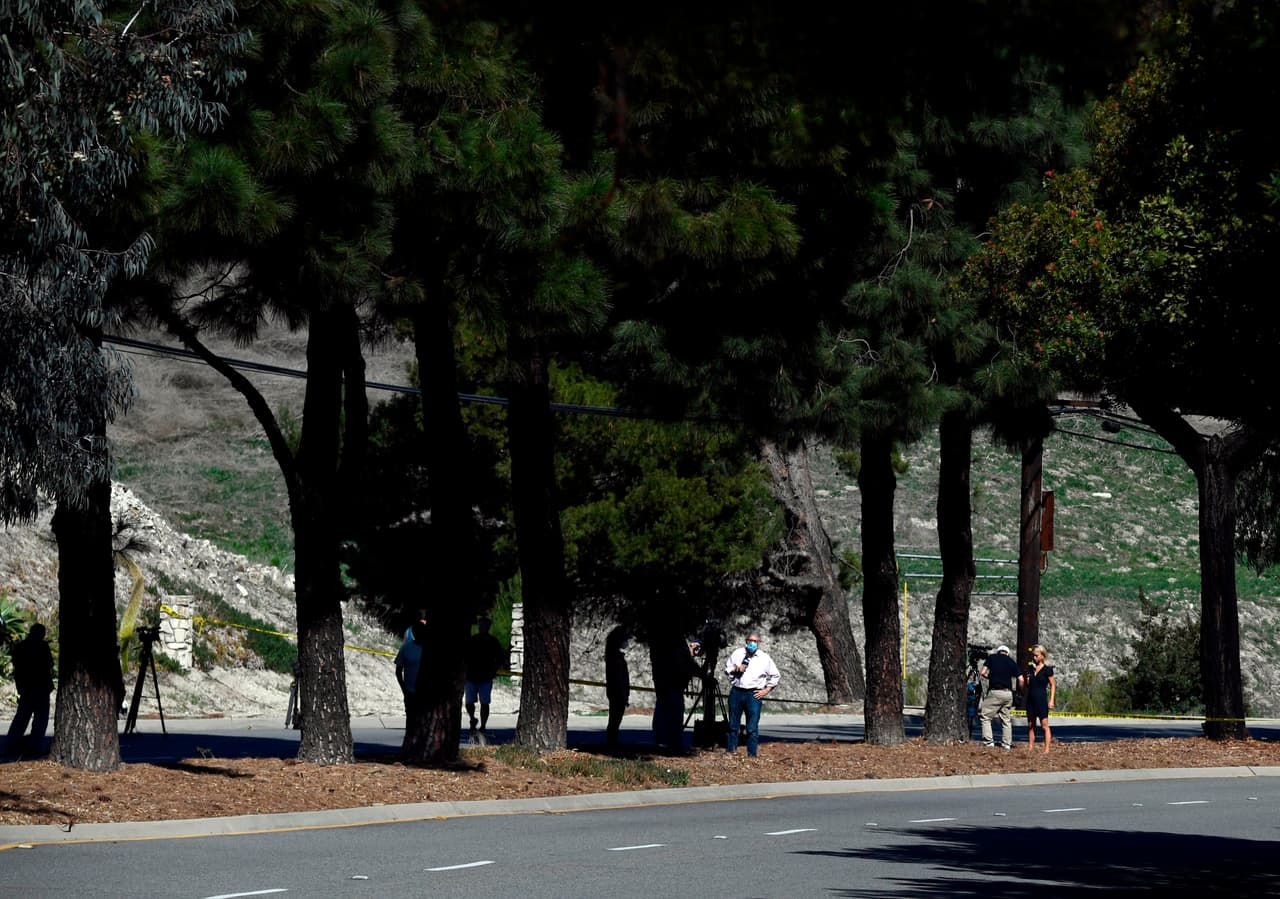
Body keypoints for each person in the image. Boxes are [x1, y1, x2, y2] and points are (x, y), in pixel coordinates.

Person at [723, 631, 780, 757]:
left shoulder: (764, 658)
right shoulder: (738, 653)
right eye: (750, 640)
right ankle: (731, 751)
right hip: (737, 692)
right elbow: (727, 669)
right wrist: (736, 669)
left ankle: (752, 755)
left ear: (759, 643)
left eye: (755, 641)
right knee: (733, 725)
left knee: (752, 727)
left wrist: (766, 690)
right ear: (746, 641)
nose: (752, 643)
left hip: (753, 694)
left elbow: (776, 675)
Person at [649, 629, 705, 752]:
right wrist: (704, 675)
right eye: (697, 648)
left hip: (669, 688)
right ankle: (669, 741)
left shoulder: (679, 650)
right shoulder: (681, 651)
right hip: (671, 687)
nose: (697, 652)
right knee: (672, 714)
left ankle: (664, 740)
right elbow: (690, 666)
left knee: (665, 712)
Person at [5, 623, 54, 758]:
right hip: (41, 687)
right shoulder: (43, 646)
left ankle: (11, 744)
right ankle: (35, 746)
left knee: (22, 717)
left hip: (27, 687)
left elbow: (17, 666)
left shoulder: (21, 647)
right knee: (40, 718)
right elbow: (50, 664)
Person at [463, 617, 505, 738]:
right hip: (471, 677)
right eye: (481, 625)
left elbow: (500, 658)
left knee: (485, 703)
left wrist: (494, 670)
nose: (483, 628)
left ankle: (483, 725)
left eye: (485, 626)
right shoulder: (472, 640)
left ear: (488, 627)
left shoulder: (493, 642)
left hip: (486, 678)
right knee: (469, 702)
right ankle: (472, 719)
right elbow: (465, 657)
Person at [978, 644, 1019, 749]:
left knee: (985, 716)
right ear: (1007, 653)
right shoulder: (1011, 662)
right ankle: (1006, 744)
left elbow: (982, 672)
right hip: (1008, 693)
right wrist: (1020, 691)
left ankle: (988, 742)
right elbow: (1021, 679)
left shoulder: (992, 658)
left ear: (998, 651)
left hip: (995, 692)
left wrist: (991, 678)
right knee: (1006, 719)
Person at [1020, 644, 1056, 752]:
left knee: (1044, 725)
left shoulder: (1047, 670)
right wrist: (1026, 678)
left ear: (1042, 655)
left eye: (1036, 655)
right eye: (1033, 656)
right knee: (1031, 725)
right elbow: (1027, 685)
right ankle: (1030, 748)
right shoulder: (1031, 669)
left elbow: (1053, 685)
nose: (1034, 658)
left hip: (1041, 699)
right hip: (1031, 699)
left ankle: (1047, 749)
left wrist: (1051, 700)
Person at [394, 612, 427, 723]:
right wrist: (404, 688)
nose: (419, 633)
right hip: (410, 692)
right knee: (411, 720)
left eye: (422, 631)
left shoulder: (431, 649)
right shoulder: (406, 647)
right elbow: (398, 670)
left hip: (426, 692)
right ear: (413, 632)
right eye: (416, 631)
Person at [604, 626, 630, 749]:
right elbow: (619, 678)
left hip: (616, 692)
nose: (627, 643)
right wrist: (623, 694)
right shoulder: (616, 658)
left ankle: (612, 741)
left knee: (615, 719)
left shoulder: (613, 655)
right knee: (615, 719)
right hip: (617, 692)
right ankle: (612, 743)